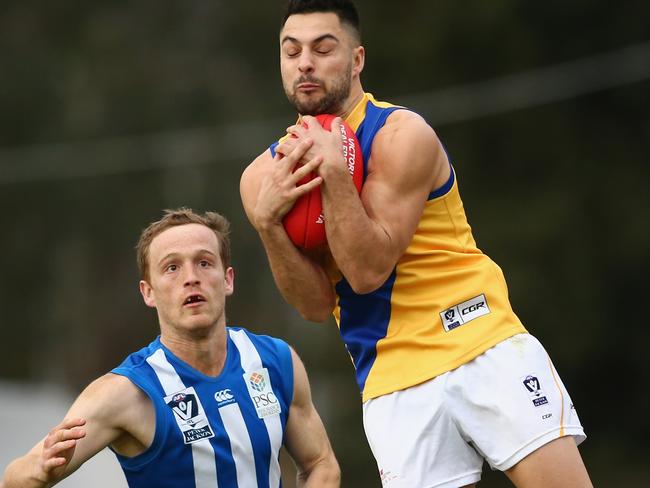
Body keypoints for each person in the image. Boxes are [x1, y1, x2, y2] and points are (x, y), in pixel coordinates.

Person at [239, 1, 593, 487]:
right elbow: (316, 305)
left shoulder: (401, 134)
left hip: (479, 340)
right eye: (291, 51)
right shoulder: (263, 177)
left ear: (357, 59)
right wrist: (267, 224)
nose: (305, 63)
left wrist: (335, 175)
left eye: (324, 48)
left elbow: (368, 270)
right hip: (391, 380)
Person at [2, 208, 340, 488]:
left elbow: (320, 464)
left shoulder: (275, 362)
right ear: (148, 292)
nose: (191, 277)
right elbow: (16, 476)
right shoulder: (125, 393)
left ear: (228, 279)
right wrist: (40, 472)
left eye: (204, 262)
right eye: (172, 267)